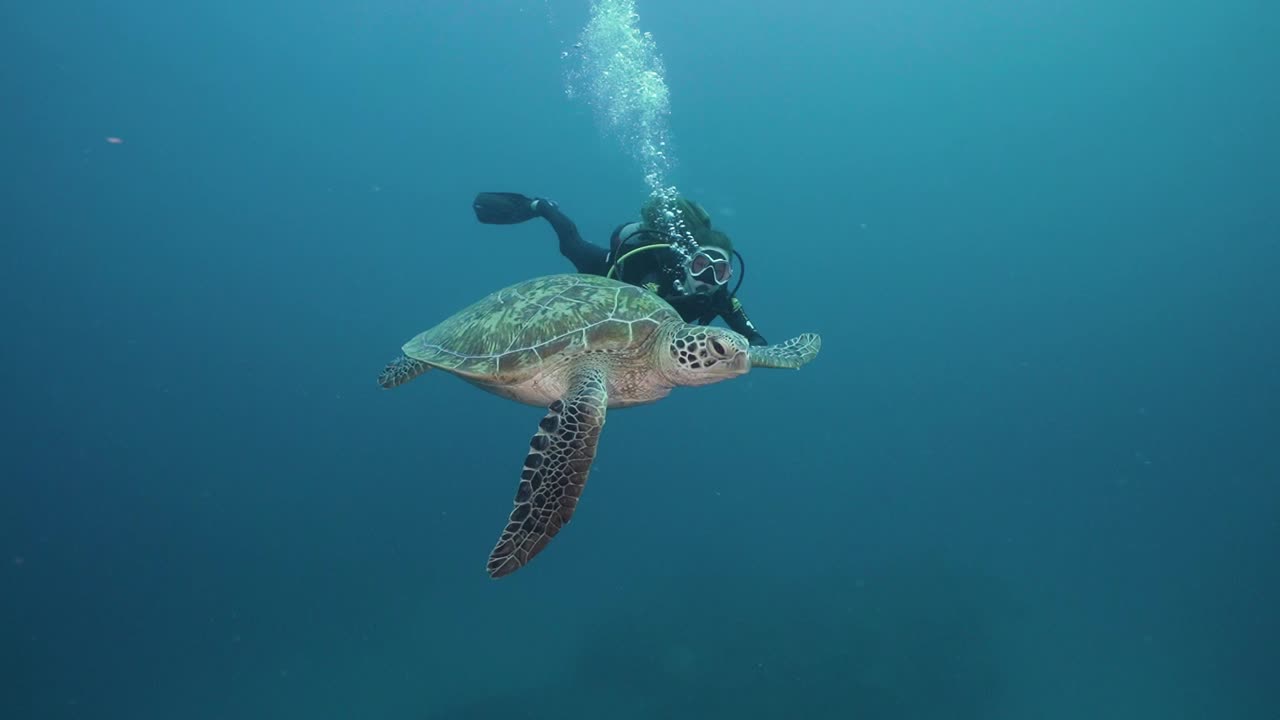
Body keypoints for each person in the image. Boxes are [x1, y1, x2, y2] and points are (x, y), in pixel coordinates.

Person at [472, 191, 769, 346]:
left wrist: (757, 350)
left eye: (719, 272)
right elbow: (641, 311)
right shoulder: (660, 273)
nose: (708, 278)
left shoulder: (721, 297)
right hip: (612, 274)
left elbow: (754, 339)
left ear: (727, 275)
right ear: (688, 261)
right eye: (702, 265)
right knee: (570, 244)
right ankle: (542, 206)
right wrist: (685, 302)